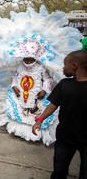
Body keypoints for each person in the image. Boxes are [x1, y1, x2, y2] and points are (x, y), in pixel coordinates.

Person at [32, 50, 87, 179]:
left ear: (75, 65)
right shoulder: (65, 84)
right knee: (59, 171)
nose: (63, 68)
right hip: (65, 137)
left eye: (65, 64)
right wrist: (40, 119)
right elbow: (53, 104)